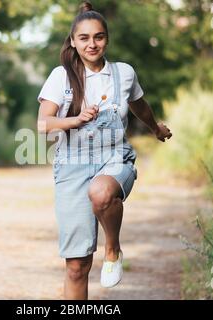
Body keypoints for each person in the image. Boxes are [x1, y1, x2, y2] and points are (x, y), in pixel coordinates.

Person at [37, 1, 172, 300]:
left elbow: (139, 105)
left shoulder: (123, 73)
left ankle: (112, 249)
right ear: (73, 41)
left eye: (98, 37)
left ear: (106, 39)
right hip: (71, 166)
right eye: (84, 38)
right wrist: (77, 119)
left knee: (101, 193)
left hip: (113, 158)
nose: (92, 44)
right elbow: (43, 124)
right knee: (76, 266)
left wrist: (155, 128)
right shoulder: (61, 77)